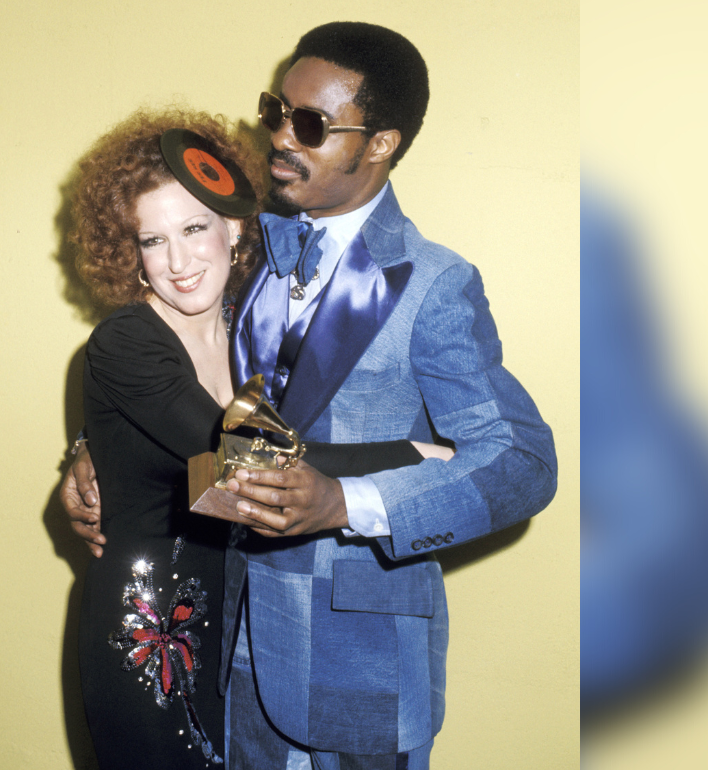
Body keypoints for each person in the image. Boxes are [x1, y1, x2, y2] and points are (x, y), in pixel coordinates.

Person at [211, 24, 558, 769]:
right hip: (231, 650)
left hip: (360, 665)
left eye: (309, 125)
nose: (279, 137)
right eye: (276, 110)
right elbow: (184, 380)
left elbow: (524, 462)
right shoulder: (240, 249)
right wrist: (92, 453)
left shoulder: (434, 284)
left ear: (380, 143)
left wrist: (347, 504)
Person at [66, 107, 449, 769]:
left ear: (235, 227)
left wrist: (83, 447)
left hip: (238, 632)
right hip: (149, 636)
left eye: (193, 228)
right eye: (151, 240)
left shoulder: (252, 326)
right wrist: (411, 455)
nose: (178, 260)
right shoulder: (126, 342)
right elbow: (253, 456)